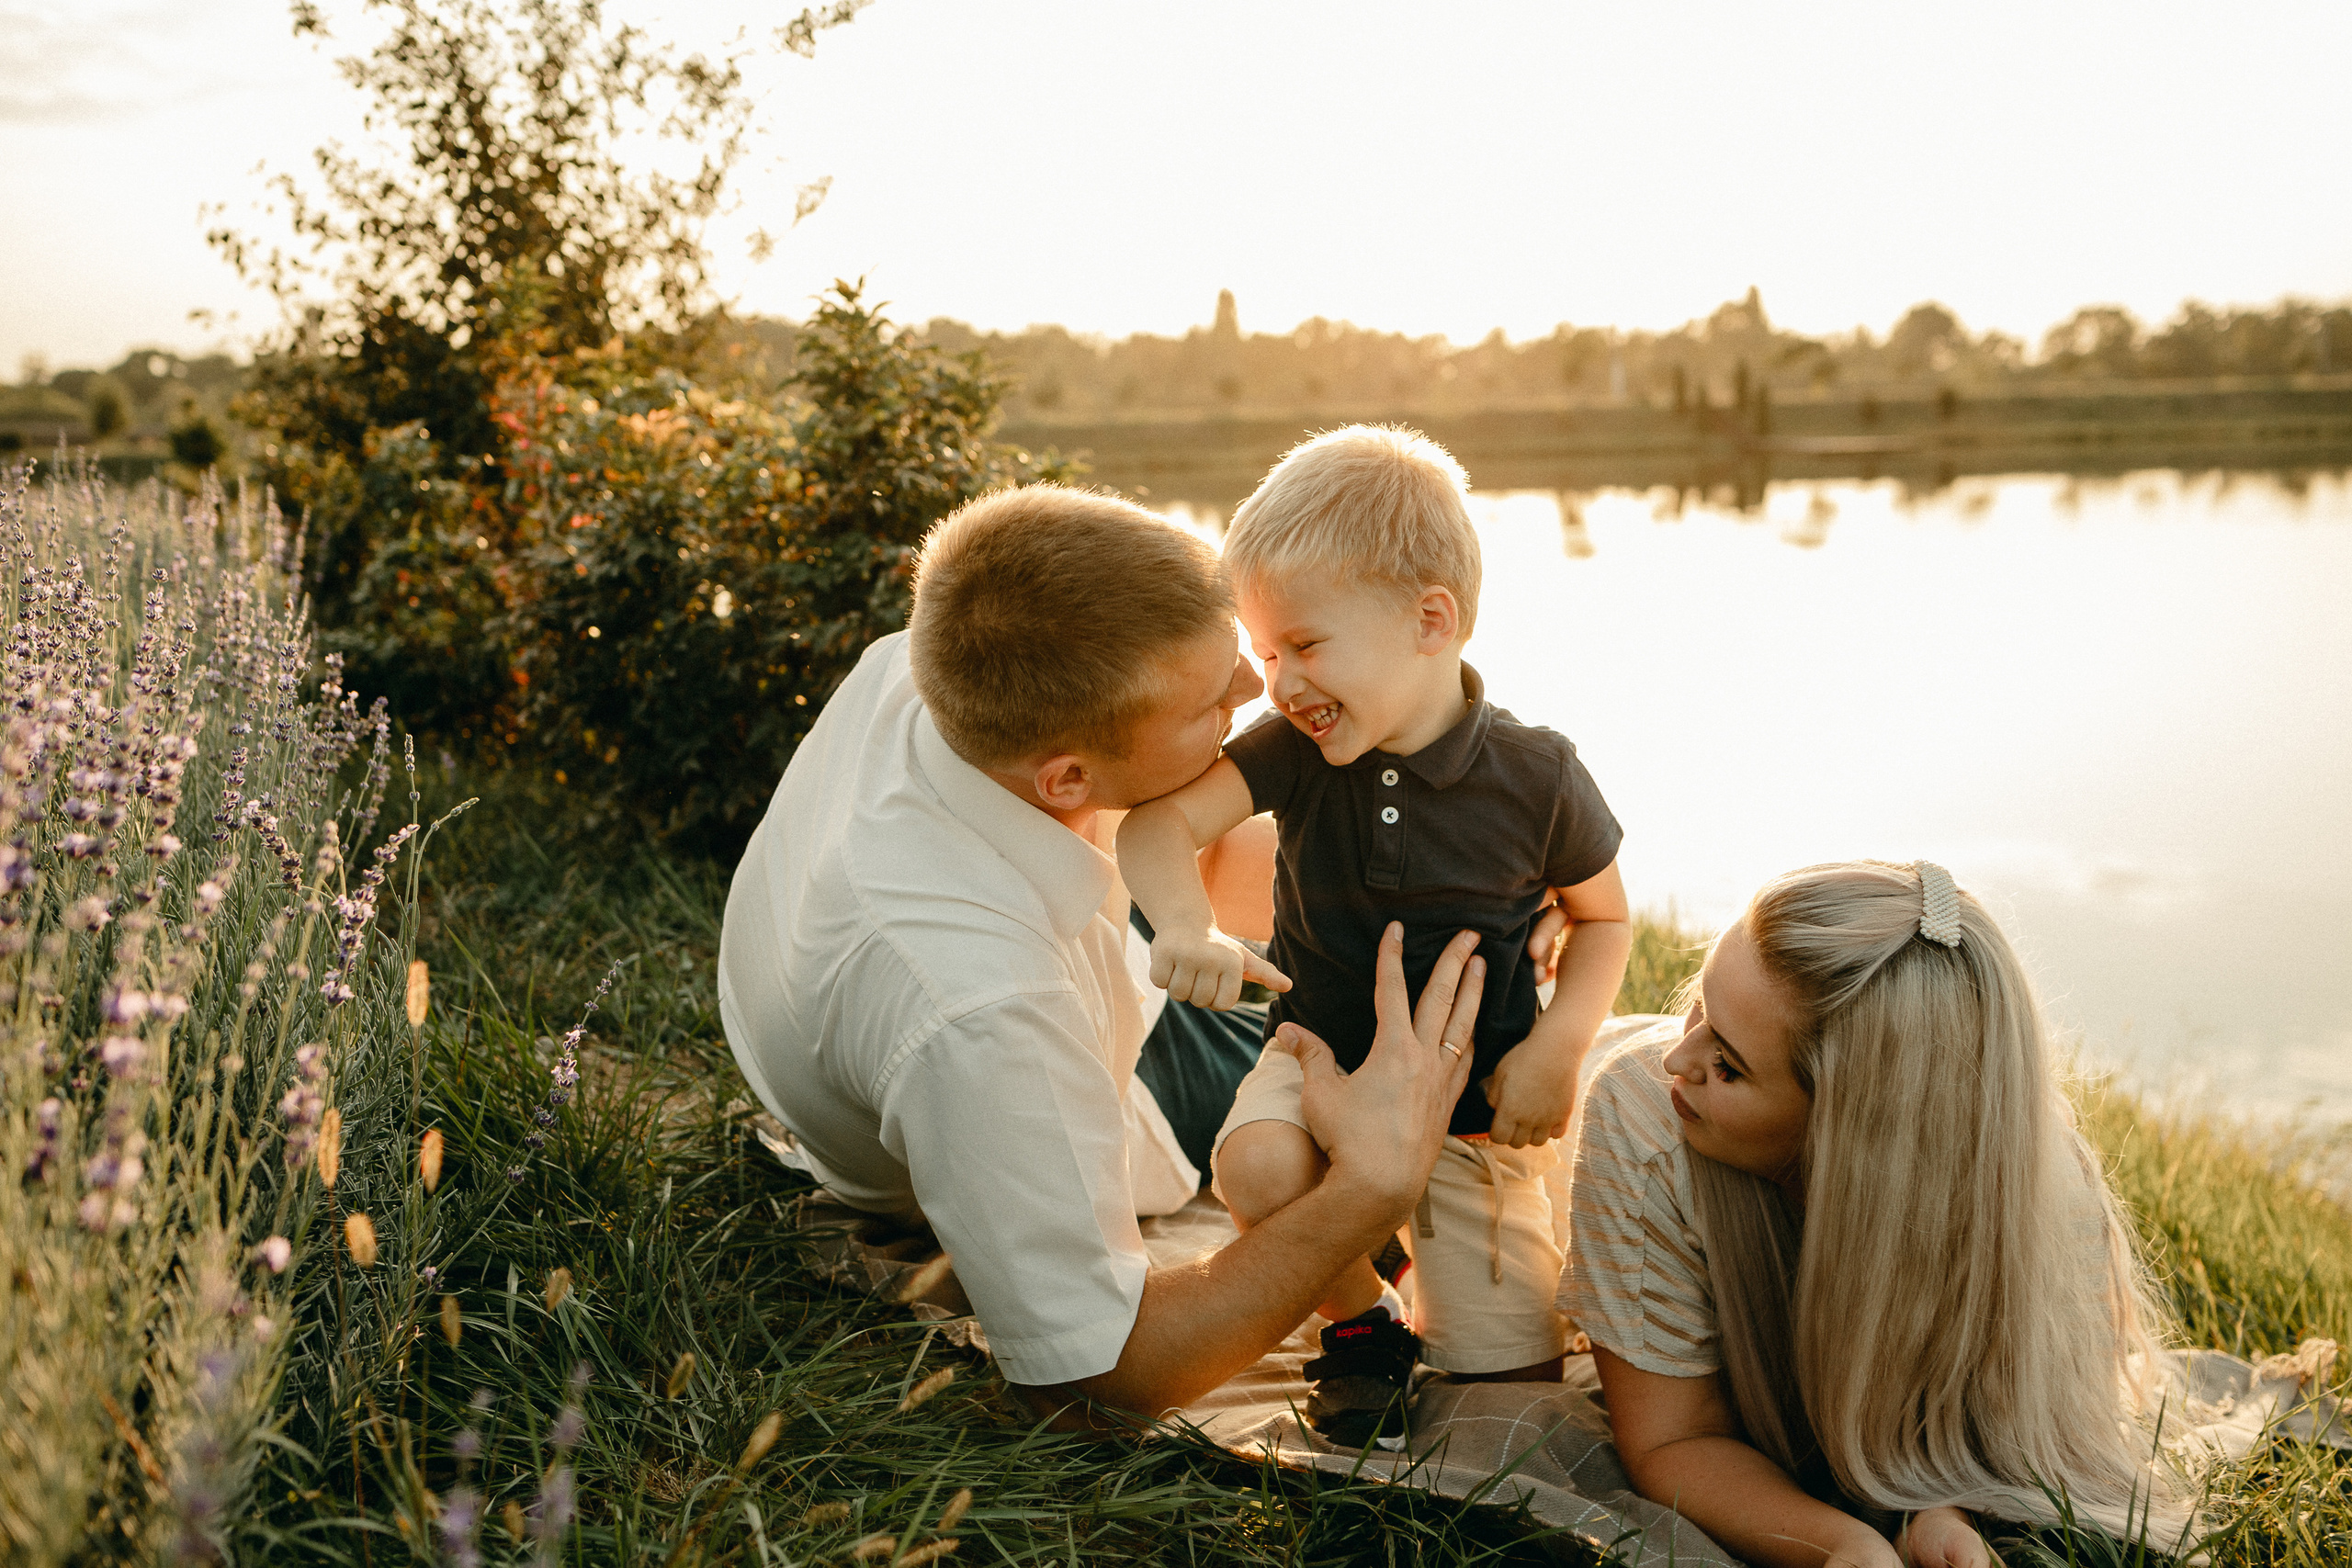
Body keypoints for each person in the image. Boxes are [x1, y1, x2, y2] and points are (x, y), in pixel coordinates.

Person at [716, 483, 1497, 1425]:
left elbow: (1194, 828)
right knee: (1408, 1060)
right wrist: (1371, 1188)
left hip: (999, 959)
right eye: (1215, 698)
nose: (1260, 689)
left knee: (1380, 921)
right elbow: (1100, 1372)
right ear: (1068, 778)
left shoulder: (935, 665)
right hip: (1086, 1091)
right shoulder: (985, 1014)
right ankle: (1380, 1276)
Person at [1119, 426, 1632, 1444]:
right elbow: (1158, 825)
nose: (1278, 682)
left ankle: (1426, 1264)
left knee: (1508, 1395)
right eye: (1265, 653)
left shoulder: (1538, 775)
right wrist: (1182, 922)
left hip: (1471, 1103)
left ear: (1430, 621)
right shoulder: (1296, 753)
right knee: (1257, 1170)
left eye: (1304, 646)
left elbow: (1604, 915)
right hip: (1316, 1060)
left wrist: (1558, 1045)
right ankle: (1365, 1318)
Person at [1561, 860, 2190, 1568]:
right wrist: (1844, 1542)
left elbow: (1999, 1427)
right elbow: (1673, 1437)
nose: (1680, 1056)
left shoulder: (2040, 1197)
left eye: (1728, 1065)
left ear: (1846, 1132)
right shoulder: (1646, 1125)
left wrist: (1941, 1509)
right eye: (1700, 1005)